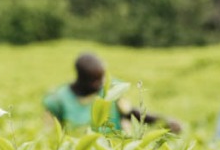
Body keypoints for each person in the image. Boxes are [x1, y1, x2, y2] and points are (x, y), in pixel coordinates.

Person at [43, 52, 181, 133]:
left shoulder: (110, 89)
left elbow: (129, 112)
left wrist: (163, 121)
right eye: (95, 80)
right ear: (81, 78)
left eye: (101, 78)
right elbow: (50, 134)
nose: (101, 83)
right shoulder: (57, 100)